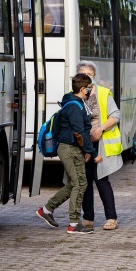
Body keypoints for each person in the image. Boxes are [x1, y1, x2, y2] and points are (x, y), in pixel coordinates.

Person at [36, 73, 102, 234]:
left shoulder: (79, 103)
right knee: (80, 184)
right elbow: (79, 132)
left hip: (75, 148)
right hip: (69, 148)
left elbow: (82, 131)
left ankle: (47, 209)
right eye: (90, 88)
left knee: (75, 183)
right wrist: (93, 154)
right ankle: (73, 223)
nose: (91, 91)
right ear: (82, 89)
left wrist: (85, 151)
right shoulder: (74, 106)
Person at [76, 61, 121, 231]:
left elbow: (115, 115)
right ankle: (88, 218)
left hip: (100, 144)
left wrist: (101, 129)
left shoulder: (103, 93)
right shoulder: (73, 94)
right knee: (85, 181)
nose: (88, 77)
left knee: (102, 180)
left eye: (90, 74)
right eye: (84, 74)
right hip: (81, 144)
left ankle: (111, 218)